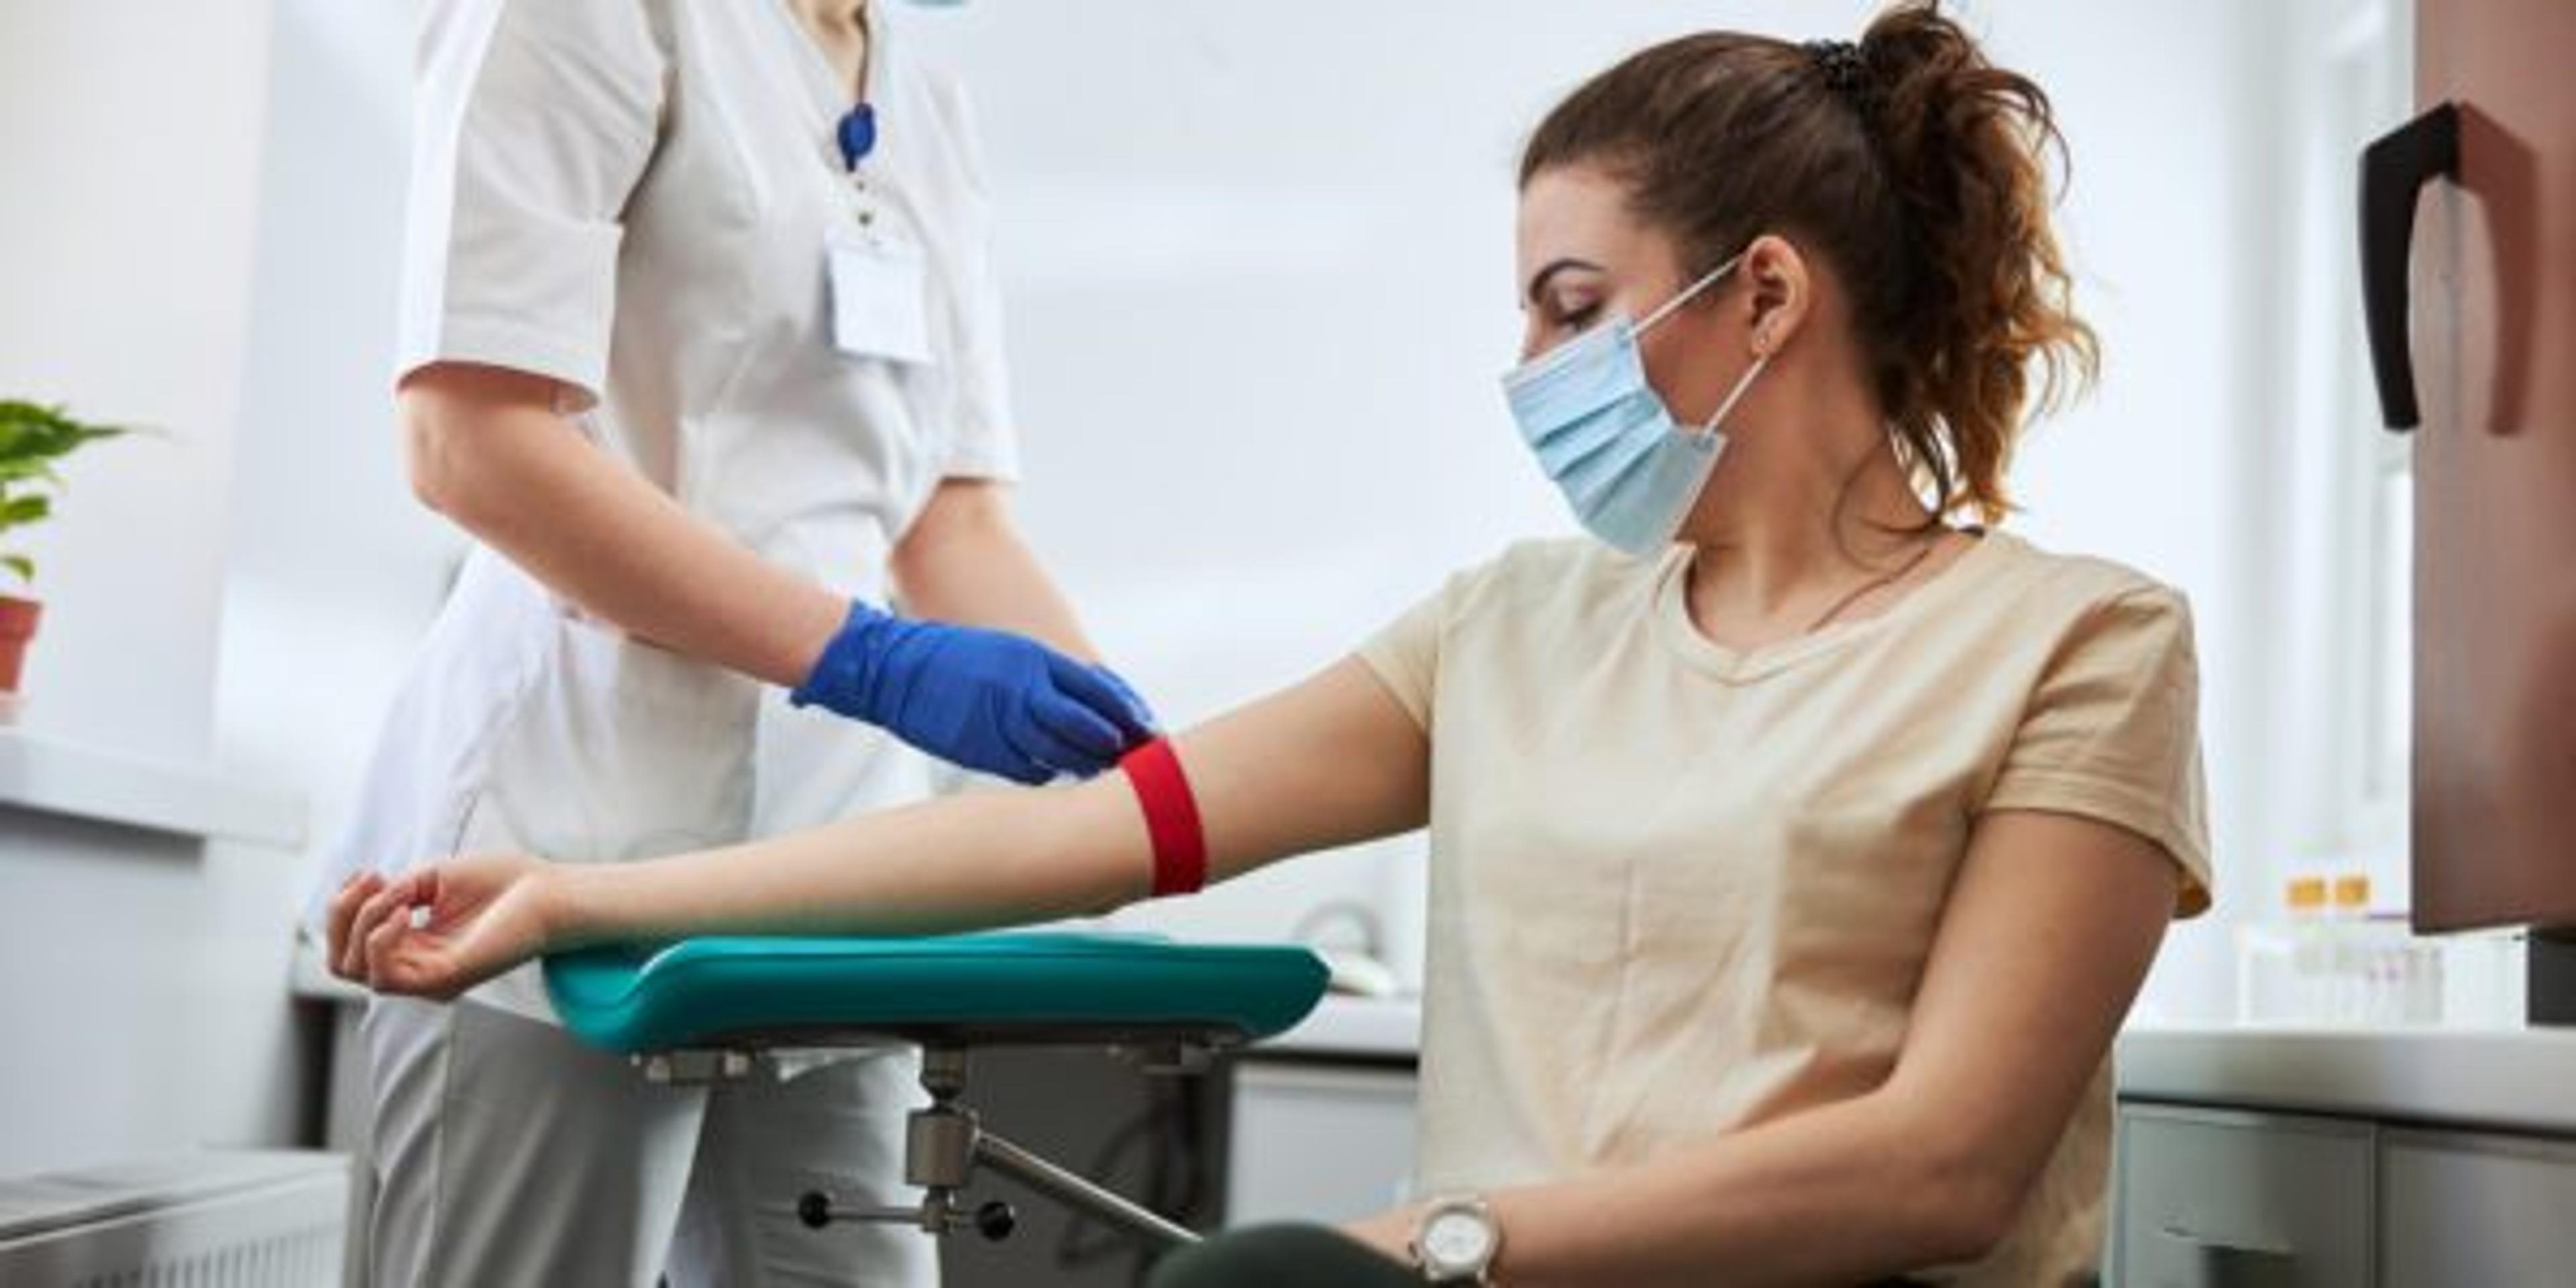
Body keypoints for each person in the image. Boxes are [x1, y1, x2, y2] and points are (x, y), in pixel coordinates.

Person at [330, 4, 2210, 1283]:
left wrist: (1422, 1248)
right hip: (582, 756)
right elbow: (1074, 829)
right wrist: (586, 888)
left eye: (1574, 308)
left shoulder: (2077, 645)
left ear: (1769, 295)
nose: (1534, 377)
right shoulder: (1518, 629)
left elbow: (1945, 1169)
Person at [304, 1, 1153, 1285]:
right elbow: (470, 439)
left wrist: (1157, 782)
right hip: (565, 809)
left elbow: (951, 516)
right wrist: (869, 661)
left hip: (834, 877)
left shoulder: (928, 101)